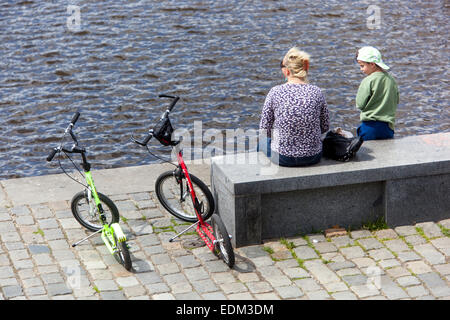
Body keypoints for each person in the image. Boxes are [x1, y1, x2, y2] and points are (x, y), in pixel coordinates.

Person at [259, 47, 330, 167]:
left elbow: (264, 129)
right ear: (306, 68)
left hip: (283, 158)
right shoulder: (316, 91)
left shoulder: (275, 92)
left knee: (262, 142)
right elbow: (325, 126)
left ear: (286, 71)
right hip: (312, 156)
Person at [355, 46, 399, 140]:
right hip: (388, 127)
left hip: (369, 127)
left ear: (372, 64)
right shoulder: (391, 80)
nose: (361, 69)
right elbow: (396, 100)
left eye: (362, 66)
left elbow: (360, 104)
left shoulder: (368, 81)